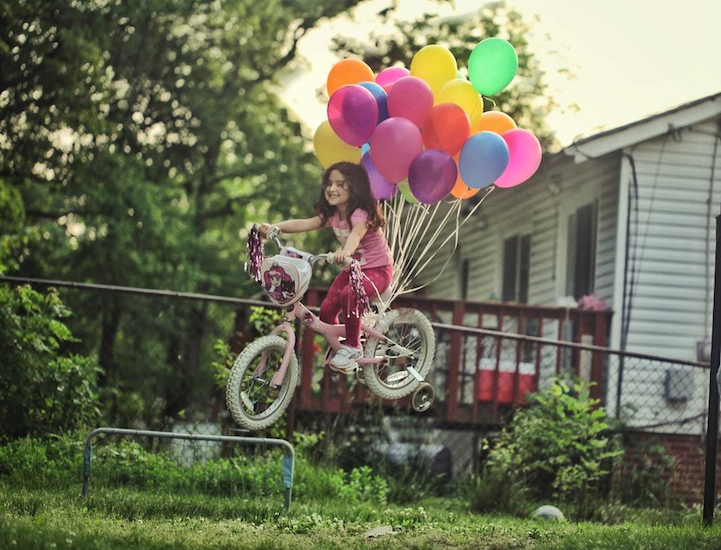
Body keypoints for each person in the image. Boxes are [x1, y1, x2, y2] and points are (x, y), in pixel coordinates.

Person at [258, 161, 393, 373]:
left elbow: (356, 234)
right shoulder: (332, 215)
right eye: (329, 183)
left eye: (340, 184)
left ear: (355, 187)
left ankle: (352, 346)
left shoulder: (359, 213)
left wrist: (346, 252)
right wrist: (275, 228)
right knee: (328, 309)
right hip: (353, 270)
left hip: (378, 270)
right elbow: (304, 223)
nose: (332, 188)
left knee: (349, 295)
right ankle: (339, 346)